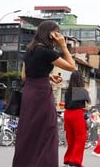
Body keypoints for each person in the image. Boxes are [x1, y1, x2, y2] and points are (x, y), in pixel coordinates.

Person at [12, 20, 77, 167]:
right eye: (57, 32)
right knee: (47, 130)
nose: (59, 35)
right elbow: (72, 67)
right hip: (42, 94)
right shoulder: (47, 52)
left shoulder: (29, 50)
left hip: (29, 92)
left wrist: (47, 75)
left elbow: (24, 76)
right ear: (51, 34)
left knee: (28, 131)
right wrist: (63, 46)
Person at [63, 70, 90, 167]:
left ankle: (68, 159)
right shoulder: (82, 90)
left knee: (70, 137)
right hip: (77, 114)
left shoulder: (67, 91)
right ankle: (75, 160)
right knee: (80, 137)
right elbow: (88, 102)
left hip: (67, 114)